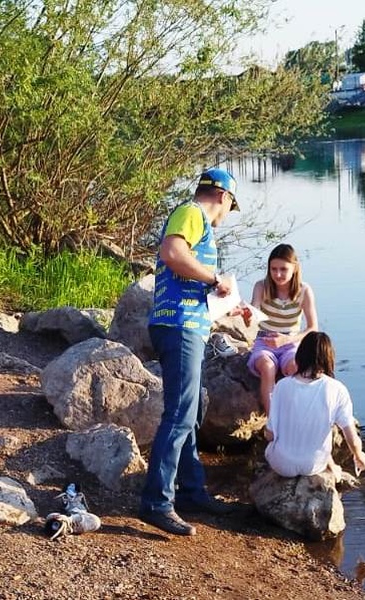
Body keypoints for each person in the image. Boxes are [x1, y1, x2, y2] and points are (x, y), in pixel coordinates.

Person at [139, 167, 239, 536]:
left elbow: (185, 274)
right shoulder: (192, 213)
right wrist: (214, 279)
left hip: (188, 324)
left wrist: (227, 302)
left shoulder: (199, 222)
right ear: (224, 198)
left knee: (191, 410)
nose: (227, 216)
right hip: (178, 326)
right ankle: (156, 502)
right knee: (180, 413)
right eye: (230, 207)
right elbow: (172, 252)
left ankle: (192, 491)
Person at [264, 331, 365, 480]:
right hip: (314, 464)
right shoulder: (337, 389)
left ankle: (328, 463)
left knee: (270, 448)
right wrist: (359, 455)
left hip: (282, 465)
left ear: (299, 355)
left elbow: (270, 434)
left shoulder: (282, 386)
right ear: (329, 358)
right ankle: (330, 464)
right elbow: (350, 435)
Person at [246, 243, 318, 415]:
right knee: (267, 367)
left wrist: (287, 339)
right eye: (273, 269)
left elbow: (313, 328)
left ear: (295, 268)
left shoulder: (304, 291)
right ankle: (273, 419)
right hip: (264, 341)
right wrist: (247, 316)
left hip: (291, 342)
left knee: (295, 367)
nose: (278, 274)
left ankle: (297, 413)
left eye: (283, 269)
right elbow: (253, 312)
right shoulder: (262, 287)